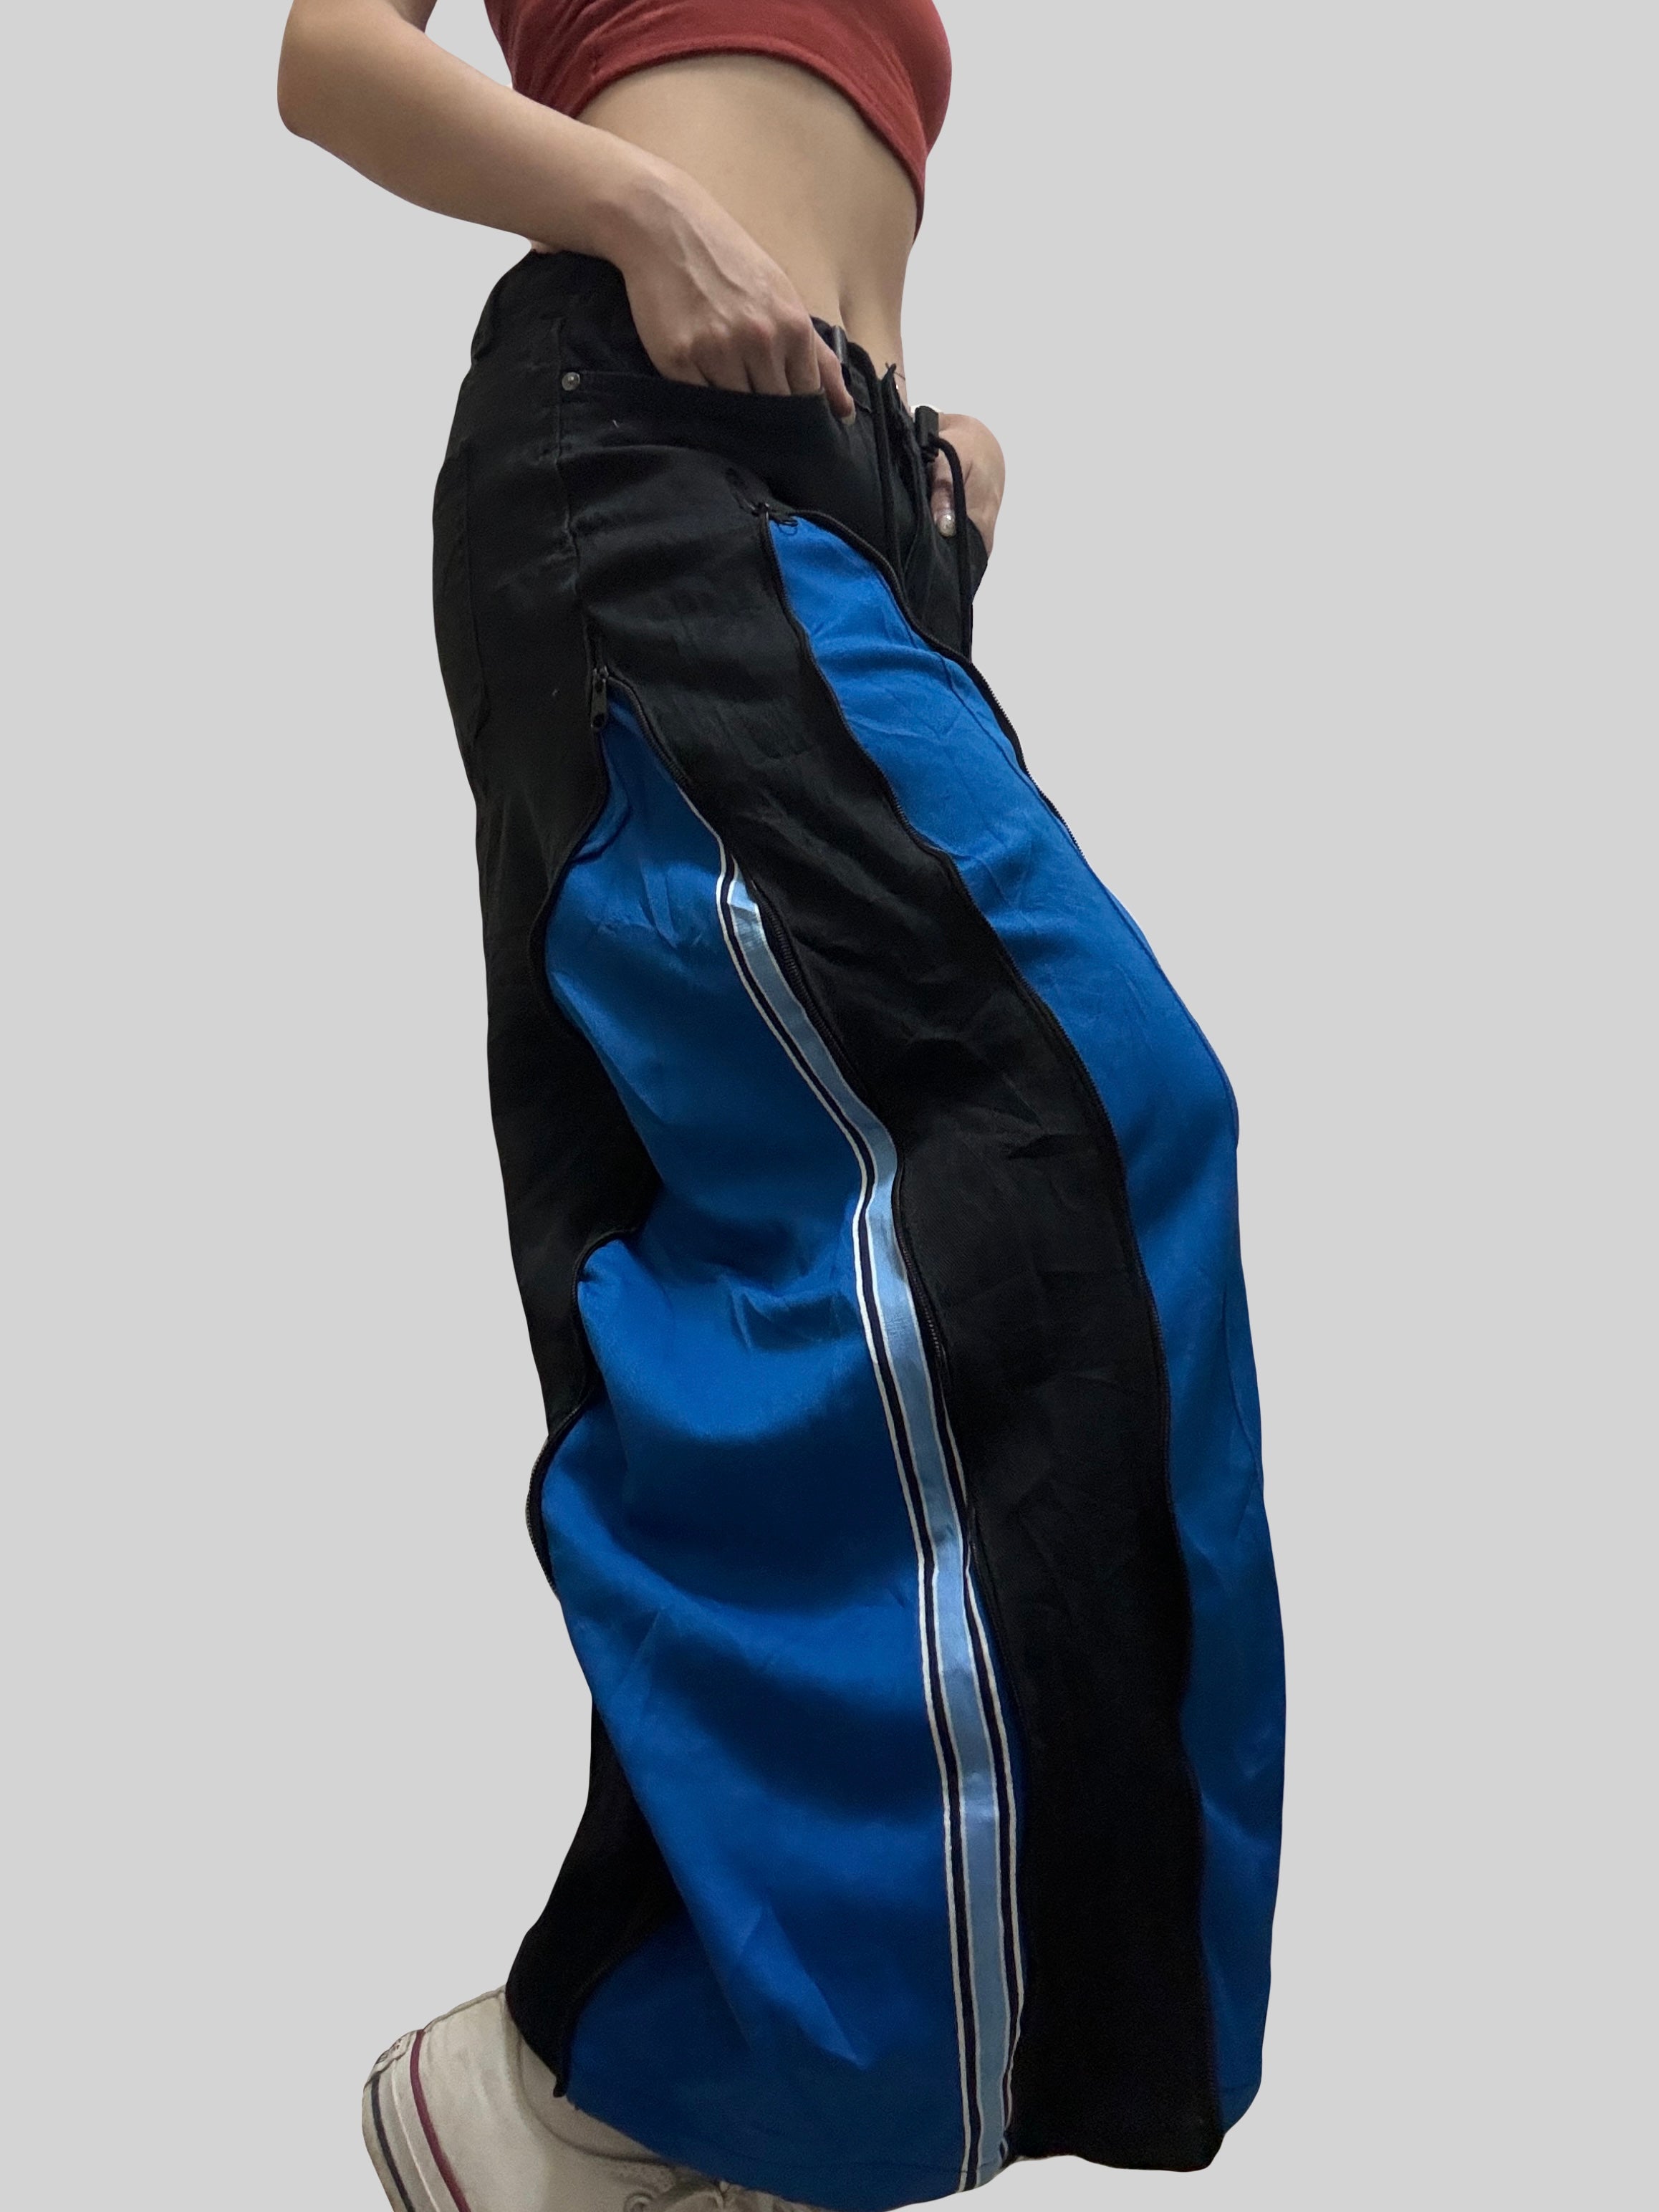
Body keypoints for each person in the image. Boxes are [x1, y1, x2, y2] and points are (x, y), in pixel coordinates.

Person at [276, 5, 1286, 2208]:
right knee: (1073, 1111)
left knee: (835, 1231)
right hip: (636, 424)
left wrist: (926, 461)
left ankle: (705, 2093)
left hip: (843, 504)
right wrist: (641, 209)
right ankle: (628, 2066)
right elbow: (329, 58)